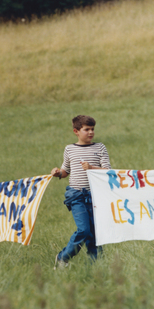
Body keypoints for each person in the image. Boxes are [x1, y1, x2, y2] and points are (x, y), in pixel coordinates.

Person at [50, 115, 111, 268]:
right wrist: (58, 173)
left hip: (95, 196)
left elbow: (108, 171)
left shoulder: (100, 148)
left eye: (92, 129)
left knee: (94, 232)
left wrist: (92, 167)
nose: (90, 132)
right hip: (76, 195)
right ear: (76, 131)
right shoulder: (69, 149)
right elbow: (65, 171)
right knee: (83, 229)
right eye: (87, 129)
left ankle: (96, 265)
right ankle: (63, 258)